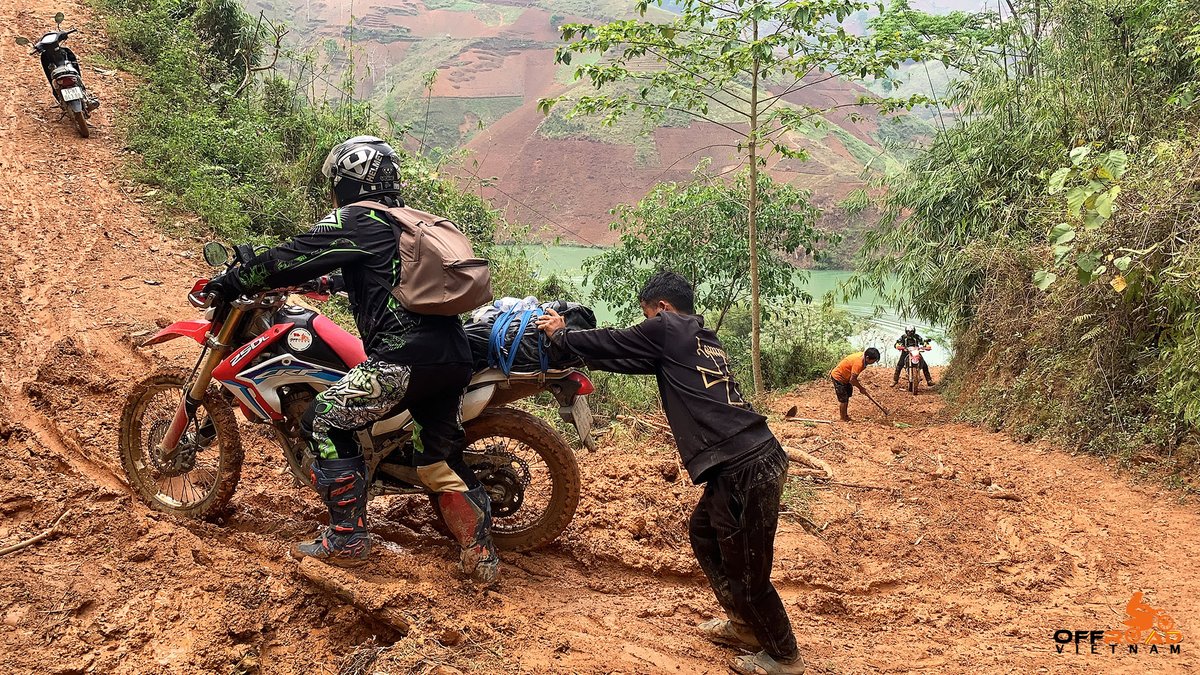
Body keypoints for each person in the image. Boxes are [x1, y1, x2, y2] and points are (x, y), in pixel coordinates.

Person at [202, 136, 498, 581]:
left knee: (323, 420)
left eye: (335, 182)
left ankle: (348, 537)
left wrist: (235, 279)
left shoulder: (356, 219)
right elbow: (382, 278)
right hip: (452, 358)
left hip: (403, 360)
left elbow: (293, 255)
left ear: (347, 181)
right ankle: (481, 557)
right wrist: (329, 286)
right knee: (439, 460)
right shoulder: (402, 223)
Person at [535, 271, 805, 675]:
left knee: (749, 569)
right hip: (746, 458)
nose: (646, 323)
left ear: (661, 309)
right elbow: (628, 358)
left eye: (647, 316)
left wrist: (561, 334)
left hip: (744, 466)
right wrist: (580, 357)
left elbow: (613, 339)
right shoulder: (699, 337)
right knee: (704, 532)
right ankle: (745, 624)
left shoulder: (667, 326)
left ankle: (784, 656)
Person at [829, 348, 881, 422]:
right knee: (843, 399)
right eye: (873, 361)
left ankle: (845, 416)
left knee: (847, 396)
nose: (873, 362)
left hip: (847, 378)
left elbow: (852, 379)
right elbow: (853, 380)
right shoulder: (859, 363)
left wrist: (860, 387)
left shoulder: (863, 358)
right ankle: (842, 418)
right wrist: (861, 388)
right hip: (839, 377)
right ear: (867, 358)